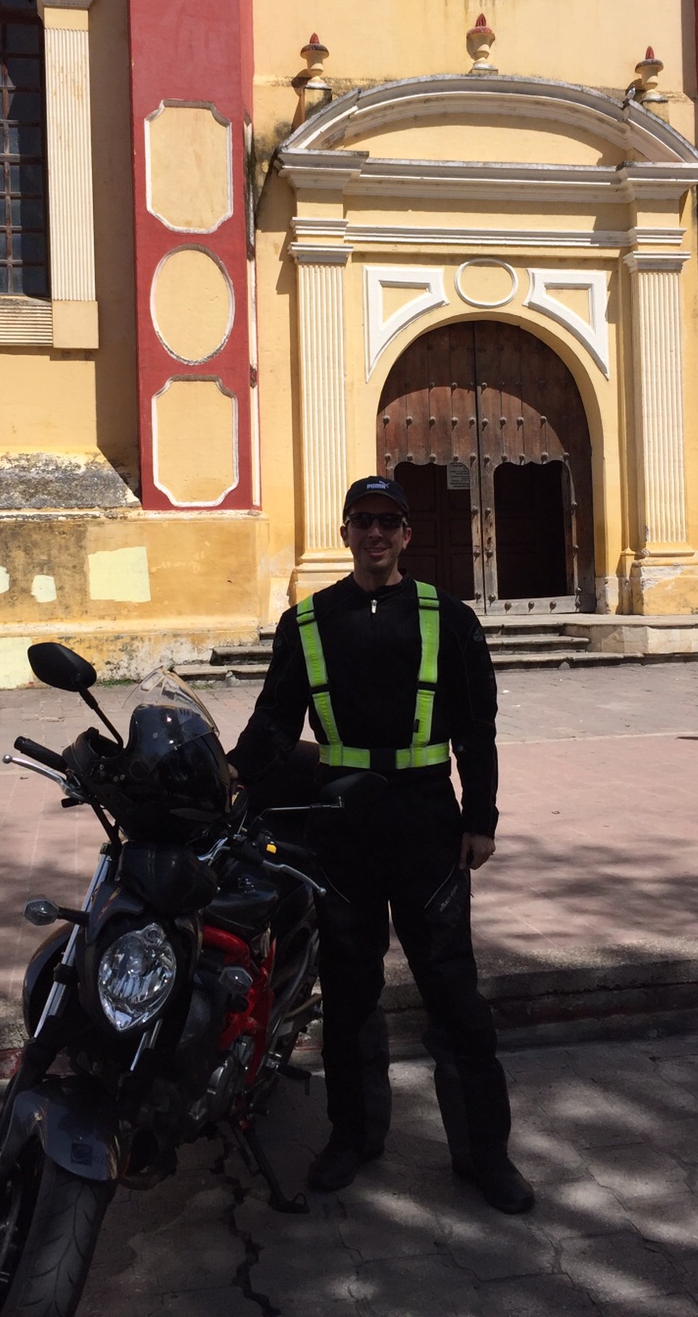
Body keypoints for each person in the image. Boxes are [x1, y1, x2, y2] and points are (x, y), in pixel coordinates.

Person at [228, 475, 534, 1214]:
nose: (375, 534)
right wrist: (225, 782)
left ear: (405, 535)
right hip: (343, 827)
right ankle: (352, 1137)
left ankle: (483, 1154)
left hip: (427, 824)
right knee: (352, 992)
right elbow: (273, 724)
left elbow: (476, 729)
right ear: (344, 534)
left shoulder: (449, 620)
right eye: (362, 522)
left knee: (453, 993)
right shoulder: (307, 623)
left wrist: (481, 818)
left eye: (388, 522)